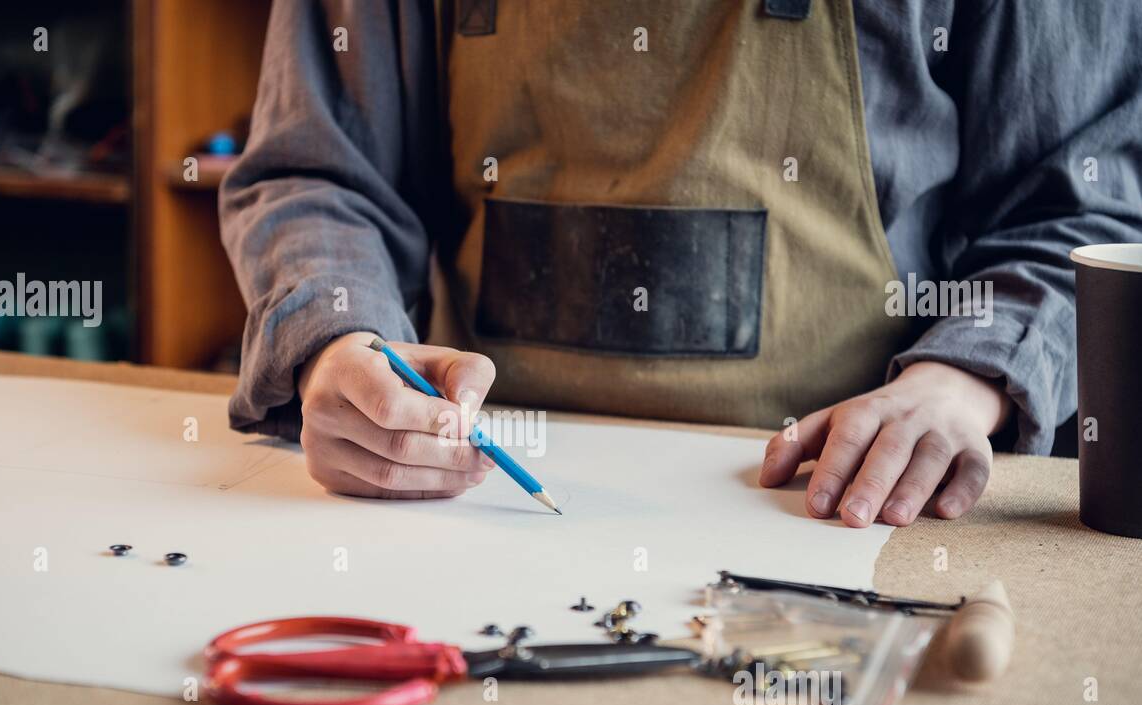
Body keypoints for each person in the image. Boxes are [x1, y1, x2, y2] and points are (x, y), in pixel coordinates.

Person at [219, 0, 1141, 527]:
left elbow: (1088, 200)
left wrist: (960, 382)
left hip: (840, 509)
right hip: (463, 495)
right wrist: (342, 347)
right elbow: (317, 169)